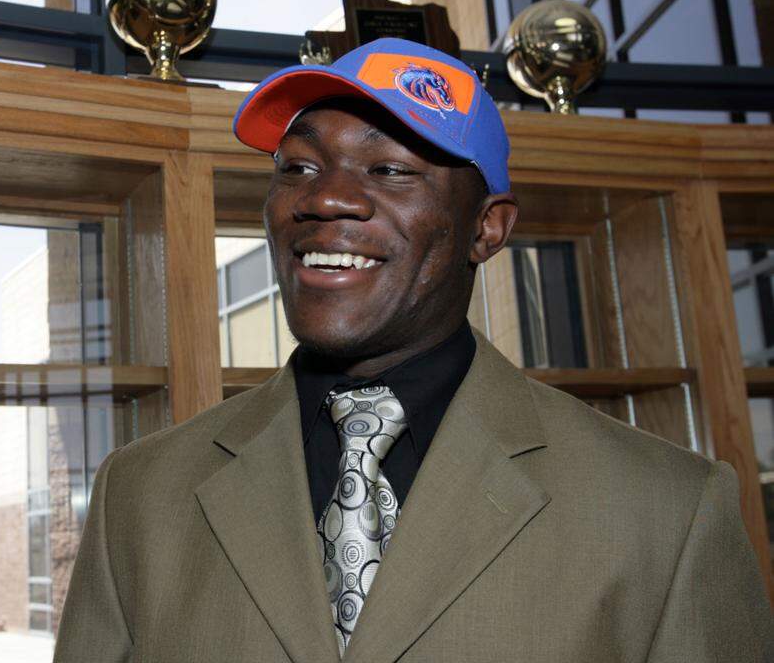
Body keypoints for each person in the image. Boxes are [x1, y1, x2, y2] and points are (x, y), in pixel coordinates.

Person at [53, 38, 773, 662]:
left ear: (486, 229)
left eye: (391, 170)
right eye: (298, 168)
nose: (325, 199)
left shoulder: (667, 509)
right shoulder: (140, 497)